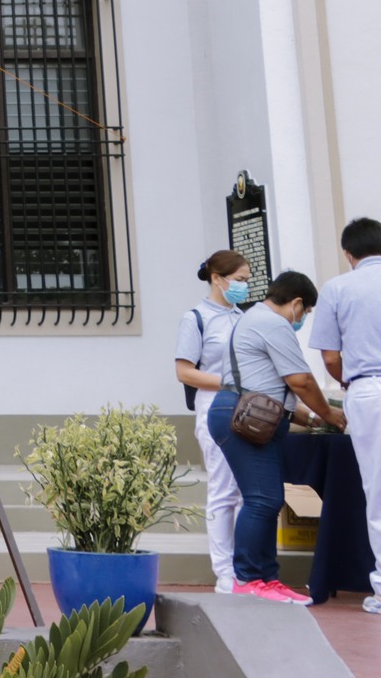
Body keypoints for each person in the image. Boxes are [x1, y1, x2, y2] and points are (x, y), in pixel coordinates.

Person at [207, 270, 345, 605]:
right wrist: (331, 415)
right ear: (297, 303)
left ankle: (266, 579)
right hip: (243, 418)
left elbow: (272, 391)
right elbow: (301, 382)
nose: (303, 319)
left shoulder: (253, 318)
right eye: (306, 313)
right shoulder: (273, 323)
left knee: (266, 499)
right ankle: (250, 578)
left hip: (246, 413)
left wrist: (310, 418)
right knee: (262, 500)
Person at [310, 217, 381, 615]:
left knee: (378, 491)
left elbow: (331, 357)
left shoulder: (339, 287)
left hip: (369, 389)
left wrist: (347, 380)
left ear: (348, 253)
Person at [174, 248, 250, 594]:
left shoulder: (243, 317)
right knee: (222, 489)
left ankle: (245, 565)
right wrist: (228, 382)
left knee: (247, 491)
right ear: (217, 279)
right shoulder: (196, 318)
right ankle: (224, 570)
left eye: (247, 281)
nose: (244, 287)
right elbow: (185, 371)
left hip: (248, 407)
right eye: (239, 280)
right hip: (214, 404)